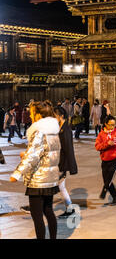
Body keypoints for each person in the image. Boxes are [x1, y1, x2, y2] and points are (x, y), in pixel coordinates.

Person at [9, 101, 60, 239]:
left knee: (37, 215)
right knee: (48, 211)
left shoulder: (39, 132)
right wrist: (26, 154)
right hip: (50, 178)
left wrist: (17, 173)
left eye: (32, 113)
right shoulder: (54, 132)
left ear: (38, 115)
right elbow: (46, 154)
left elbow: (32, 156)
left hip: (38, 180)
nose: (31, 116)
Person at [53, 106, 78, 218]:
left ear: (61, 116)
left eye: (55, 115)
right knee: (61, 187)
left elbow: (68, 148)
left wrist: (68, 166)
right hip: (60, 162)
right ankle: (69, 208)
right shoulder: (61, 127)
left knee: (57, 186)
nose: (54, 118)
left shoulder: (65, 129)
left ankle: (69, 208)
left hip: (62, 163)